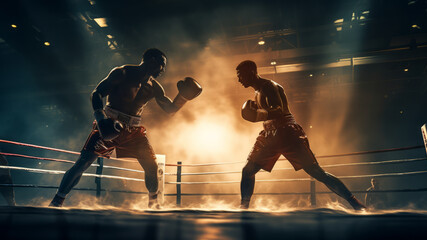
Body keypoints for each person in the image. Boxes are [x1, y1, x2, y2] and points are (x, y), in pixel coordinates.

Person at [49, 48, 202, 208]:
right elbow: (97, 93)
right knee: (83, 162)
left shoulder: (155, 87)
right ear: (151, 60)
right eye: (162, 65)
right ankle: (57, 201)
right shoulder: (122, 73)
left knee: (151, 166)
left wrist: (183, 98)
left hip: (133, 132)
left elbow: (169, 110)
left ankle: (154, 205)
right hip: (109, 122)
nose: (163, 70)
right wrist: (101, 120)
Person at [236, 60, 365, 210]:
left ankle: (356, 203)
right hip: (269, 134)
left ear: (251, 72)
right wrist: (258, 115)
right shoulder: (257, 92)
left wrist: (257, 115)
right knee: (248, 170)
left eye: (241, 76)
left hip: (286, 132)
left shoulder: (269, 87)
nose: (239, 80)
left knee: (317, 172)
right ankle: (243, 208)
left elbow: (279, 110)